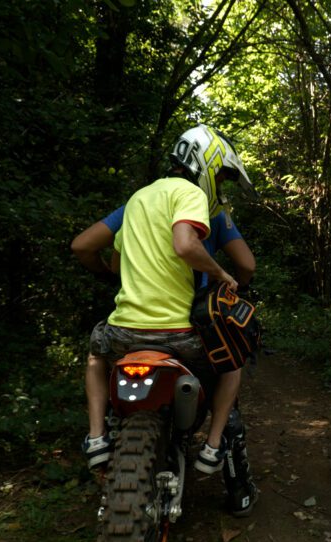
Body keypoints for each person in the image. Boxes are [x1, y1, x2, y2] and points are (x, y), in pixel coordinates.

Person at [76, 124, 259, 516]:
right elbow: (186, 244)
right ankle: (214, 451)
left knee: (95, 354)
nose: (222, 188)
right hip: (179, 334)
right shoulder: (191, 195)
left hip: (122, 334)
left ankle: (96, 438)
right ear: (206, 164)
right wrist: (224, 277)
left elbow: (113, 260)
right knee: (230, 365)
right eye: (222, 176)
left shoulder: (138, 201)